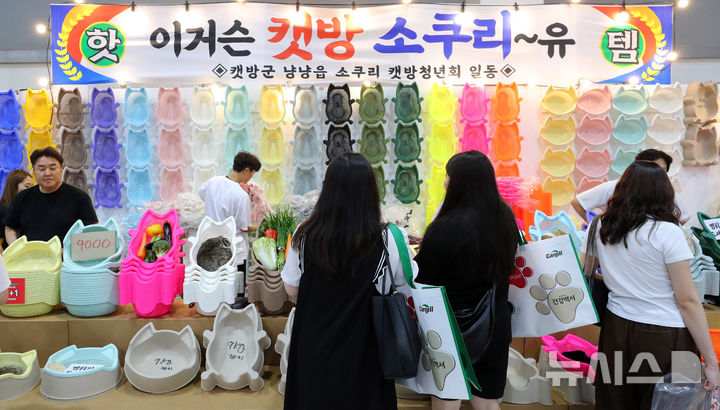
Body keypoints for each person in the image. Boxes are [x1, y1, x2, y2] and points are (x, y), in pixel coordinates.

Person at [281, 152, 417, 410]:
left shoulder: (305, 233)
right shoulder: (390, 237)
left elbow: (291, 288)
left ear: (328, 190)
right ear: (371, 191)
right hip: (366, 351)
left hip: (314, 345)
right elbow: (405, 283)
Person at [581, 161, 720, 410]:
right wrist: (710, 362)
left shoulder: (600, 226)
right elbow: (687, 301)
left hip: (616, 330)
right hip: (667, 335)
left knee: (615, 402)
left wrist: (620, 281)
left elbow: (586, 272)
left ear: (621, 189)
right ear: (664, 194)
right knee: (669, 403)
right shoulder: (668, 232)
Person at [414, 151, 519, 410]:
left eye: (448, 176)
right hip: (494, 323)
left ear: (458, 182)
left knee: (448, 399)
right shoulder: (505, 218)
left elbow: (422, 278)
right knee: (487, 400)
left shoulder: (443, 228)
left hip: (450, 326)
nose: (445, 181)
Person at [4, 148, 97, 243]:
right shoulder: (22, 197)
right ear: (34, 172)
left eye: (52, 168)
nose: (47, 173)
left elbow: (92, 229)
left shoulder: (79, 197)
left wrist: (68, 250)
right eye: (42, 169)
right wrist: (17, 248)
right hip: (31, 252)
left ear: (61, 171)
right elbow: (10, 228)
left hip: (66, 252)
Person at [572, 149, 690, 223]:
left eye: (662, 171)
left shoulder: (667, 193)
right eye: (652, 168)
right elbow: (578, 202)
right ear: (637, 167)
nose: (656, 174)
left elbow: (684, 217)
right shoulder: (614, 187)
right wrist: (596, 226)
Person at [198, 152, 262, 268]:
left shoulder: (213, 182)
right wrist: (259, 227)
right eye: (251, 175)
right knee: (234, 279)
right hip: (234, 251)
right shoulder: (241, 196)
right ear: (246, 170)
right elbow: (243, 227)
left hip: (209, 247)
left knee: (212, 277)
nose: (250, 179)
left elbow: (202, 194)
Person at [0, 169, 33, 250]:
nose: (31, 190)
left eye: (32, 186)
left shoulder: (27, 209)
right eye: (27, 186)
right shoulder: (3, 210)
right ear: (14, 187)